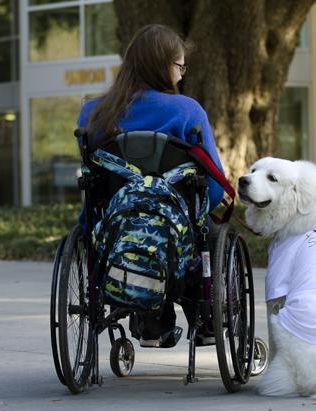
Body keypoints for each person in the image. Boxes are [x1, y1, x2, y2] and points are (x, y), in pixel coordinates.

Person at [76, 24, 225, 348]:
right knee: (209, 236)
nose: (182, 74)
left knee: (123, 235)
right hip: (177, 227)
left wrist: (87, 224)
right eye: (180, 66)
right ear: (163, 66)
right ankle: (207, 320)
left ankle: (150, 324)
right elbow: (214, 188)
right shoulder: (187, 111)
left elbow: (91, 180)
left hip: (115, 228)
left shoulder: (92, 113)